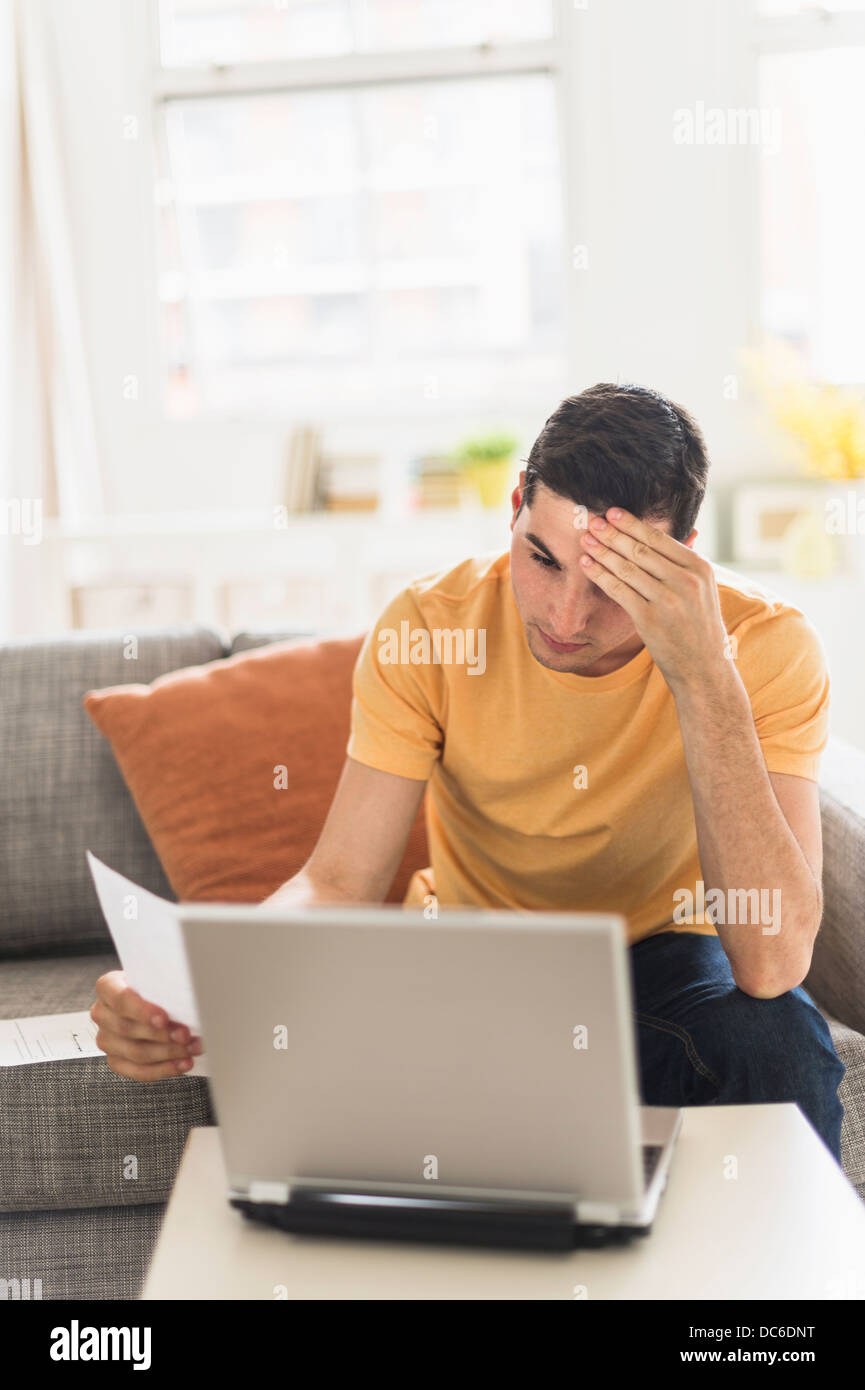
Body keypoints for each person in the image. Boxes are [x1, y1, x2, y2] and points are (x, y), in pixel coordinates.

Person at [91, 382, 845, 1163]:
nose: (563, 620)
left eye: (613, 585)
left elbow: (770, 961)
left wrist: (702, 680)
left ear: (682, 558)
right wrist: (204, 985)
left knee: (773, 1036)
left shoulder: (762, 647)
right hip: (467, 961)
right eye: (542, 560)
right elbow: (341, 881)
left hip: (655, 968)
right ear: (515, 506)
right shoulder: (431, 627)